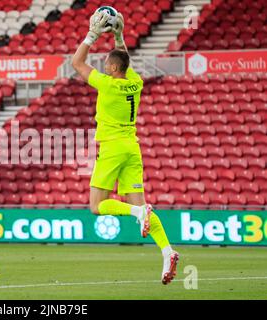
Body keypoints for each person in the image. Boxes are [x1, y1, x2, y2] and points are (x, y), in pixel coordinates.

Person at [72, 11, 179, 285]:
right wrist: (118, 34)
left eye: (107, 63)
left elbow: (77, 62)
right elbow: (124, 57)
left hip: (112, 148)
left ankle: (137, 213)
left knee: (97, 206)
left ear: (113, 69)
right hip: (133, 148)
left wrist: (93, 35)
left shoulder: (106, 85)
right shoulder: (136, 83)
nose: (104, 65)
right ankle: (167, 252)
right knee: (141, 204)